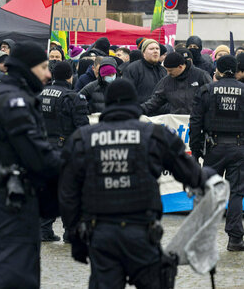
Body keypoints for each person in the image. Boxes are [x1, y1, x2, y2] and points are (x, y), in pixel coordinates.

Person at [60, 79, 213, 286]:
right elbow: (191, 174)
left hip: (101, 232)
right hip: (141, 232)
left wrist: (73, 234)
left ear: (107, 102)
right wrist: (208, 177)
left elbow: (68, 192)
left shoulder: (82, 138)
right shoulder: (155, 134)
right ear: (134, 102)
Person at [0, 42, 61, 289]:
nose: (48, 74)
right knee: (18, 275)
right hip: (14, 197)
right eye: (43, 67)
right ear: (27, 69)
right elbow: (37, 156)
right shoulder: (14, 102)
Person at [189, 55, 244, 251]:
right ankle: (236, 239)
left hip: (213, 148)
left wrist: (195, 151)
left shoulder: (206, 90)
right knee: (236, 193)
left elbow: (195, 123)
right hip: (239, 147)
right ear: (237, 69)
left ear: (218, 70)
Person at [38, 61, 89, 242]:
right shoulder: (74, 97)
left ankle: (44, 230)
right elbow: (83, 127)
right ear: (70, 76)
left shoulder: (40, 94)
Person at [141, 51, 211, 116]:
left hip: (197, 121)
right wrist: (138, 110)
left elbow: (212, 96)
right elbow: (155, 101)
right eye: (167, 70)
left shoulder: (201, 76)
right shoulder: (167, 81)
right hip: (177, 123)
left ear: (180, 67)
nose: (168, 73)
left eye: (170, 70)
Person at [121, 39, 166, 104]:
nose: (155, 51)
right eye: (151, 49)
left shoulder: (163, 70)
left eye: (157, 49)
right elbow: (126, 93)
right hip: (141, 111)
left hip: (162, 112)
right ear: (143, 53)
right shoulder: (133, 69)